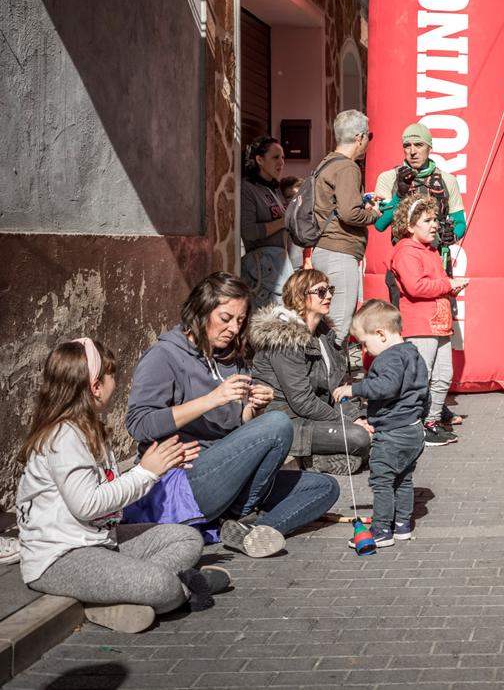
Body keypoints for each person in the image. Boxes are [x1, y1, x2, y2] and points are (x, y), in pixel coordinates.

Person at [18, 339, 230, 634]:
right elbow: (87, 504)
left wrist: (161, 466)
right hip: (61, 557)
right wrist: (146, 472)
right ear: (95, 386)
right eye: (111, 375)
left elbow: (108, 493)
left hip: (99, 539)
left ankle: (118, 597)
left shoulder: (88, 428)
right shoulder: (64, 437)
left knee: (187, 539)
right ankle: (178, 588)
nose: (115, 383)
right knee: (161, 584)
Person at [126, 273, 341, 558]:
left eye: (239, 321)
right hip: (187, 479)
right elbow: (139, 424)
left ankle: (249, 530)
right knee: (278, 423)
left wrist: (252, 407)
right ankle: (241, 513)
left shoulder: (231, 360)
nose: (232, 328)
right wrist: (211, 399)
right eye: (225, 317)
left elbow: (237, 432)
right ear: (201, 311)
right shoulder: (164, 356)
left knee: (324, 487)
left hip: (233, 477)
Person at [249, 269, 373, 475]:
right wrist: (349, 423)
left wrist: (357, 416)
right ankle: (317, 459)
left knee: (379, 425)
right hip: (287, 421)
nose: (329, 296)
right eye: (321, 291)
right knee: (359, 437)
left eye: (330, 289)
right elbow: (301, 401)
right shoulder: (286, 339)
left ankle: (337, 457)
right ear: (300, 295)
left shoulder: (324, 336)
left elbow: (338, 389)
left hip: (316, 416)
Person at [333, 301, 429, 548]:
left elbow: (385, 387)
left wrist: (353, 388)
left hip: (393, 434)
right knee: (403, 480)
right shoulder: (413, 354)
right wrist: (420, 419)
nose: (365, 350)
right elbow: (423, 393)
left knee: (382, 481)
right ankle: (402, 526)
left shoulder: (388, 359)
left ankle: (381, 530)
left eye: (364, 343)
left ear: (381, 335)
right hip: (413, 429)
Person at [390, 194, 469, 445]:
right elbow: (415, 287)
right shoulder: (405, 250)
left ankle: (431, 422)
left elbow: (430, 284)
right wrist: (448, 284)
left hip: (439, 322)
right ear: (410, 225)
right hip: (420, 323)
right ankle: (415, 426)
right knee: (421, 378)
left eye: (435, 219)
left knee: (443, 375)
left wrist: (448, 287)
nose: (434, 224)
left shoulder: (430, 249)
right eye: (427, 220)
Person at [311, 110, 379, 376]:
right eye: (368, 137)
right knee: (339, 324)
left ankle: (330, 384)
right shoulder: (348, 167)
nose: (368, 142)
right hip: (340, 251)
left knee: (328, 321)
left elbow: (339, 207)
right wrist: (373, 212)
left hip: (325, 249)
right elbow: (351, 214)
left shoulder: (326, 163)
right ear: (360, 137)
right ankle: (334, 389)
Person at [240, 136, 293, 308]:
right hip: (261, 271)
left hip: (282, 265)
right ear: (260, 160)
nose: (281, 163)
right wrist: (282, 222)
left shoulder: (276, 189)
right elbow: (249, 232)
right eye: (275, 157)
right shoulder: (247, 189)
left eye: (283, 158)